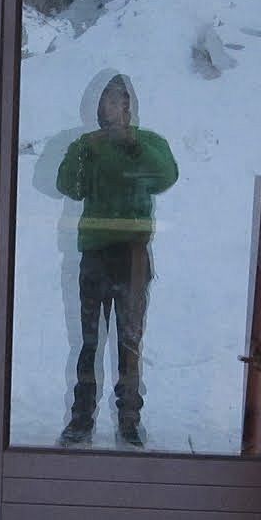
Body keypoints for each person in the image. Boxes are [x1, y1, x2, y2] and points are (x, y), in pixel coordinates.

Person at [55, 73, 179, 447]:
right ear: (98, 107)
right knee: (89, 343)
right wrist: (84, 151)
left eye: (123, 101)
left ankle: (129, 420)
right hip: (95, 255)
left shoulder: (149, 142)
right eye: (110, 100)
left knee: (129, 343)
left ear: (132, 107)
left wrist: (133, 145)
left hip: (133, 256)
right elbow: (68, 186)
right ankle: (81, 420)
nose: (117, 107)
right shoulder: (86, 145)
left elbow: (165, 177)